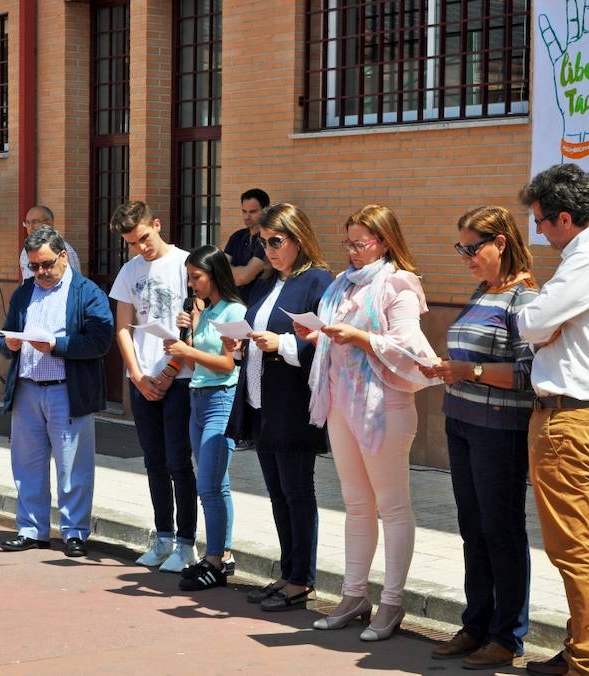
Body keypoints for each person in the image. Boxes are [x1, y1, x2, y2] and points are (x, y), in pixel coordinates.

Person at [298, 204, 439, 641]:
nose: (353, 251)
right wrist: (317, 333)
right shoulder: (340, 284)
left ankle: (392, 602)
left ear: (384, 241)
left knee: (392, 507)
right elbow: (333, 334)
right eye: (349, 242)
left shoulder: (398, 283)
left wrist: (360, 337)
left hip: (384, 407)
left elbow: (409, 348)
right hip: (341, 403)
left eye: (361, 243)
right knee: (356, 503)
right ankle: (354, 594)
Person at [516, 164, 589, 676]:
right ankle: (580, 649)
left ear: (565, 218)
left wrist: (538, 316)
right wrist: (545, 324)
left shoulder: (587, 261)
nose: (538, 231)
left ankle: (588, 662)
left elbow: (531, 324)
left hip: (569, 419)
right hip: (566, 416)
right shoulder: (586, 260)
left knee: (574, 547)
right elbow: (543, 329)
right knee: (571, 545)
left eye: (541, 221)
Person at [421, 206, 537, 669]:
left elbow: (530, 374)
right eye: (461, 248)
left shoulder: (524, 298)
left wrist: (468, 369)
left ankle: (507, 636)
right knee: (473, 528)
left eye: (473, 248)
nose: (466, 257)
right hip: (463, 422)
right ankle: (476, 625)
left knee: (500, 529)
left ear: (501, 244)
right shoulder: (483, 290)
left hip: (499, 431)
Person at [223, 204, 333, 612]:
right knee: (278, 494)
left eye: (275, 241)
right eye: (262, 242)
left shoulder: (318, 281)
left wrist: (282, 344)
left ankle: (302, 578)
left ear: (298, 238)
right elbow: (257, 331)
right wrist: (239, 344)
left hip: (293, 402)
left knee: (297, 492)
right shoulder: (271, 280)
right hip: (261, 400)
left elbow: (321, 341)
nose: (268, 250)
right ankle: (289, 573)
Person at [0, 226, 114, 558]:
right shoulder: (24, 293)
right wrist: (7, 343)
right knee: (27, 464)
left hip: (67, 391)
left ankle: (74, 531)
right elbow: (3, 339)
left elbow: (100, 341)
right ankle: (31, 529)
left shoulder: (87, 292)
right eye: (34, 266)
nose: (41, 273)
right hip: (27, 390)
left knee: (73, 465)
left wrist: (56, 345)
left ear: (64, 256)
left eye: (46, 264)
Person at [108, 201, 199, 573]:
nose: (140, 247)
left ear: (157, 225)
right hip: (143, 380)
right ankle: (162, 537)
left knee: (179, 461)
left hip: (179, 377)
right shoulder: (129, 272)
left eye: (144, 238)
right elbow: (123, 329)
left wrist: (167, 372)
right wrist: (138, 376)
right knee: (154, 462)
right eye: (132, 243)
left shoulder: (185, 263)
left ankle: (186, 543)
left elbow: (197, 321)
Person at [163, 245, 245, 591]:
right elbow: (197, 366)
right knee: (214, 483)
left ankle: (213, 559)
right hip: (197, 397)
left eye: (196, 276)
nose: (191, 283)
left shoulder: (234, 310)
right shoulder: (204, 311)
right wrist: (191, 333)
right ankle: (221, 556)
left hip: (222, 399)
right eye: (188, 277)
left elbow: (229, 364)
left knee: (208, 485)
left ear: (214, 275)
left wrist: (186, 350)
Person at [224, 188, 269, 302]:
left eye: (253, 212)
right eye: (244, 211)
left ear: (265, 210)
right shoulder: (237, 236)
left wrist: (231, 271)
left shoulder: (268, 240)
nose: (247, 216)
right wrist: (239, 271)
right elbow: (219, 270)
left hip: (257, 303)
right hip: (234, 304)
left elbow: (243, 277)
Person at [19, 205, 81, 280]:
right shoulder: (25, 251)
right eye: (27, 223)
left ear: (49, 223)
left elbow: (74, 282)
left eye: (35, 222)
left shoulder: (63, 249)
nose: (30, 227)